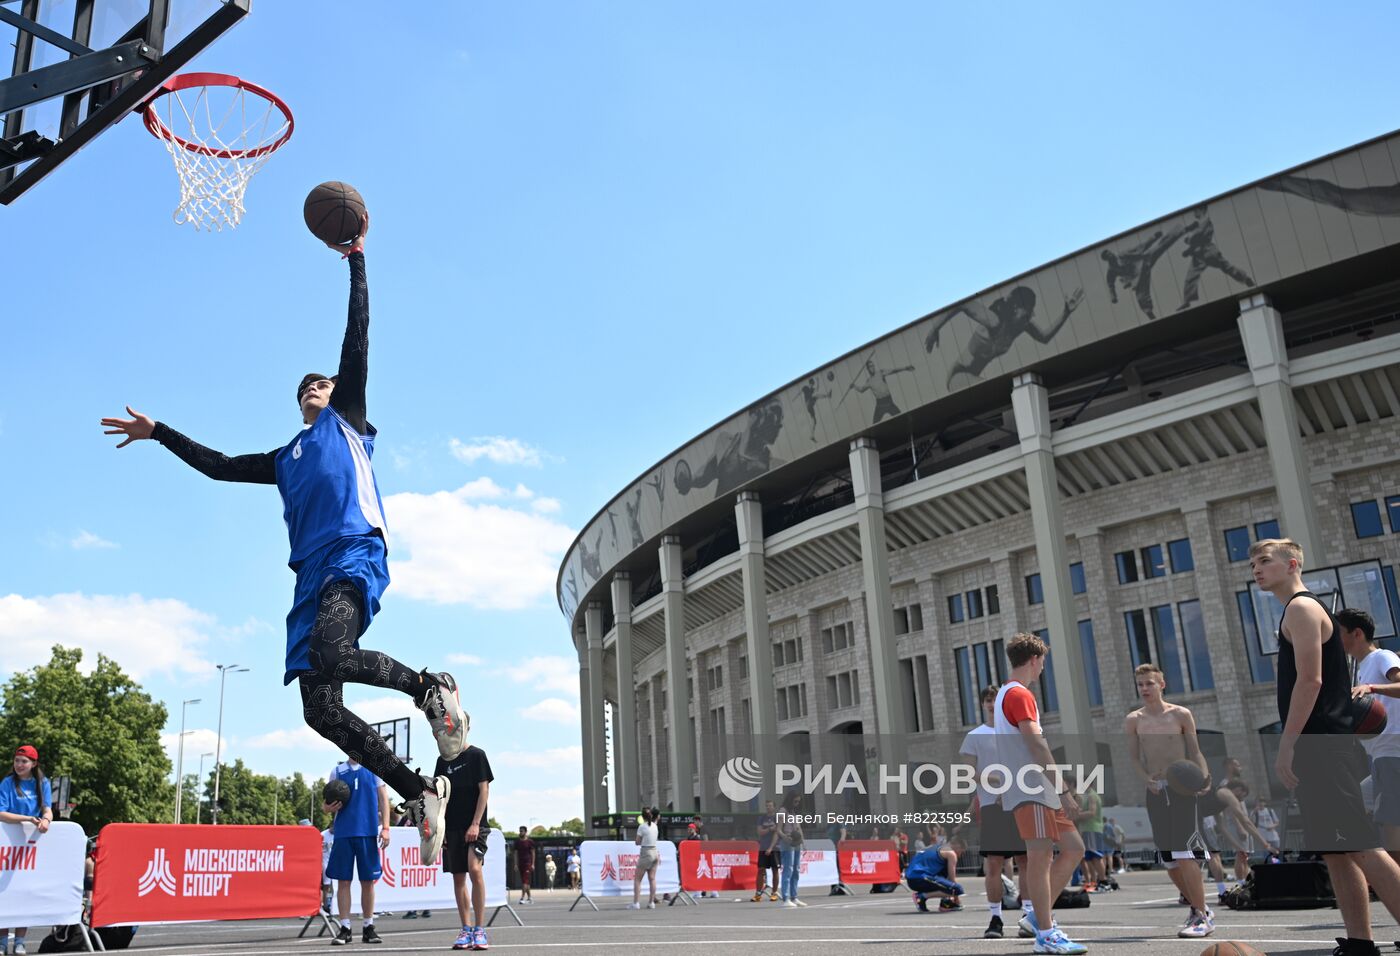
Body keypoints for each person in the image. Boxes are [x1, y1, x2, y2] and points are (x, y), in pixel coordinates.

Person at [99, 222, 462, 866]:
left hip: (353, 549)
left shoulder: (347, 421)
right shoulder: (284, 456)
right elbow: (217, 465)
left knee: (334, 648)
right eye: (304, 390)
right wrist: (160, 433)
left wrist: (357, 262)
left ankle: (428, 686)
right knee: (318, 710)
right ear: (296, 406)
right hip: (309, 577)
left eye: (319, 386)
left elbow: (357, 342)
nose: (312, 391)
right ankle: (419, 792)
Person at [1252, 538, 1400, 956]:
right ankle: (1359, 943)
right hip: (1323, 744)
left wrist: (1287, 744)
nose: (1256, 569)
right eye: (1252, 564)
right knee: (1338, 850)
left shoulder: (1301, 608)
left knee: (1361, 844)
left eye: (1265, 561)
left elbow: (1310, 681)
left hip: (1321, 744)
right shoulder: (1298, 609)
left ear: (1292, 563)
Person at [991, 632, 1087, 955]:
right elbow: (1036, 744)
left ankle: (1036, 917)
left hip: (1034, 787)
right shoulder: (1019, 694)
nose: (1043, 667)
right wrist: (1063, 790)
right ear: (1034, 660)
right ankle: (1046, 934)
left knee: (1074, 848)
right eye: (1043, 661)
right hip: (1032, 787)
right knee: (1040, 858)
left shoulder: (1009, 693)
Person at [1125, 662, 1214, 938]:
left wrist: (1204, 776)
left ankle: (1201, 916)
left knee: (1186, 853)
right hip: (1156, 790)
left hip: (1182, 789)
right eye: (1140, 684)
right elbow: (1133, 758)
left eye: (1149, 683)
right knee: (1170, 860)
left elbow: (1195, 752)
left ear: (1161, 684)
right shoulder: (1134, 720)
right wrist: (1146, 779)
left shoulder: (1181, 714)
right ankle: (1200, 908)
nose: (1144, 689)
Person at [959, 683, 1028, 939]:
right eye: (988, 700)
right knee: (994, 864)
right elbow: (967, 773)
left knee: (1025, 860)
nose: (991, 704)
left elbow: (1027, 765)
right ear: (983, 704)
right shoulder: (974, 736)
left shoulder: (1017, 732)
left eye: (995, 699)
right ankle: (996, 918)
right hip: (990, 806)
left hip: (1019, 802)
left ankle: (1028, 915)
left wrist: (1010, 789)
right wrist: (995, 785)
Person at [1341, 607, 1400, 863]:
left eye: (1338, 633)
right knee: (1355, 806)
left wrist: (1372, 687)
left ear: (1357, 633)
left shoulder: (1381, 657)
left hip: (1392, 751)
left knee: (1391, 824)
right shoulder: (1360, 667)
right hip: (1379, 755)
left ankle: (1394, 883)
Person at [324, 758, 390, 945]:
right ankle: (345, 928)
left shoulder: (374, 768)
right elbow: (325, 806)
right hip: (343, 832)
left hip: (367, 831)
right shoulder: (337, 771)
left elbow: (383, 798)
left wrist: (385, 827)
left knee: (367, 882)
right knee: (343, 882)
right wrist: (327, 808)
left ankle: (368, 927)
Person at [438, 724, 491, 952]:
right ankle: (465, 929)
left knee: (475, 869)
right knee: (458, 878)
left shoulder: (477, 755)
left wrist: (476, 824)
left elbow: (484, 791)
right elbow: (439, 797)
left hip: (475, 826)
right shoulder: (443, 760)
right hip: (451, 827)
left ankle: (480, 929)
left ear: (466, 728)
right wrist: (440, 830)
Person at [0, 745, 52, 956]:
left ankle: (20, 941)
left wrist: (47, 819)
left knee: (25, 892)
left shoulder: (42, 783)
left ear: (34, 764)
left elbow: (47, 808)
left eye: (24, 761)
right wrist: (27, 819)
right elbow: (1, 813)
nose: (19, 765)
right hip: (6, 844)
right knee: (5, 892)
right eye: (17, 761)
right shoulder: (7, 783)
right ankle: (3, 941)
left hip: (29, 848)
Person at [906, 835, 966, 912]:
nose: (960, 855)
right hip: (921, 877)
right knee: (957, 889)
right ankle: (920, 897)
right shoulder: (951, 853)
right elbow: (952, 880)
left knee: (944, 877)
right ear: (958, 846)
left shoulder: (935, 847)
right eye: (962, 852)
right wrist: (956, 897)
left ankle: (945, 904)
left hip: (912, 879)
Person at [1072, 783, 1107, 892]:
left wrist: (1077, 815)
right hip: (1086, 829)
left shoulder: (1092, 796)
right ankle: (1094, 882)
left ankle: (1103, 881)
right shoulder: (1087, 796)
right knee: (1089, 858)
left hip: (1092, 828)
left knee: (1096, 856)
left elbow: (1092, 812)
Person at [629, 807, 662, 910]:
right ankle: (651, 902)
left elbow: (637, 842)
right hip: (655, 852)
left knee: (638, 879)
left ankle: (636, 903)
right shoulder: (655, 826)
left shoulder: (642, 827)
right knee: (652, 878)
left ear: (642, 816)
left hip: (646, 852)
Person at [778, 792, 807, 907]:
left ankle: (794, 897)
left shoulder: (794, 812)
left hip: (796, 842)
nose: (796, 804)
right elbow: (778, 829)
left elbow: (798, 827)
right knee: (788, 869)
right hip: (787, 841)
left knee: (796, 869)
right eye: (795, 801)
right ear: (790, 800)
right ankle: (786, 898)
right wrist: (785, 837)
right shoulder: (783, 811)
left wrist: (803, 843)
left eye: (798, 802)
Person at [753, 800, 781, 902]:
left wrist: (771, 847)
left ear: (774, 807)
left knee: (775, 870)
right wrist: (769, 829)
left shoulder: (778, 818)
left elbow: (777, 833)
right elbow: (760, 831)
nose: (768, 807)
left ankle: (774, 893)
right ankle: (758, 893)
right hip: (763, 847)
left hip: (775, 848)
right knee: (761, 870)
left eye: (770, 806)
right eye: (767, 806)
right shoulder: (762, 818)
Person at [515, 827, 536, 904]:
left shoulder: (530, 842)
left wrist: (533, 864)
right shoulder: (517, 842)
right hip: (521, 864)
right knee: (526, 882)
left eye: (522, 831)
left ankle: (522, 898)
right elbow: (515, 853)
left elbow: (533, 853)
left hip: (528, 863)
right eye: (520, 831)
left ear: (525, 832)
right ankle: (530, 898)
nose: (520, 832)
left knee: (525, 881)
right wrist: (515, 864)